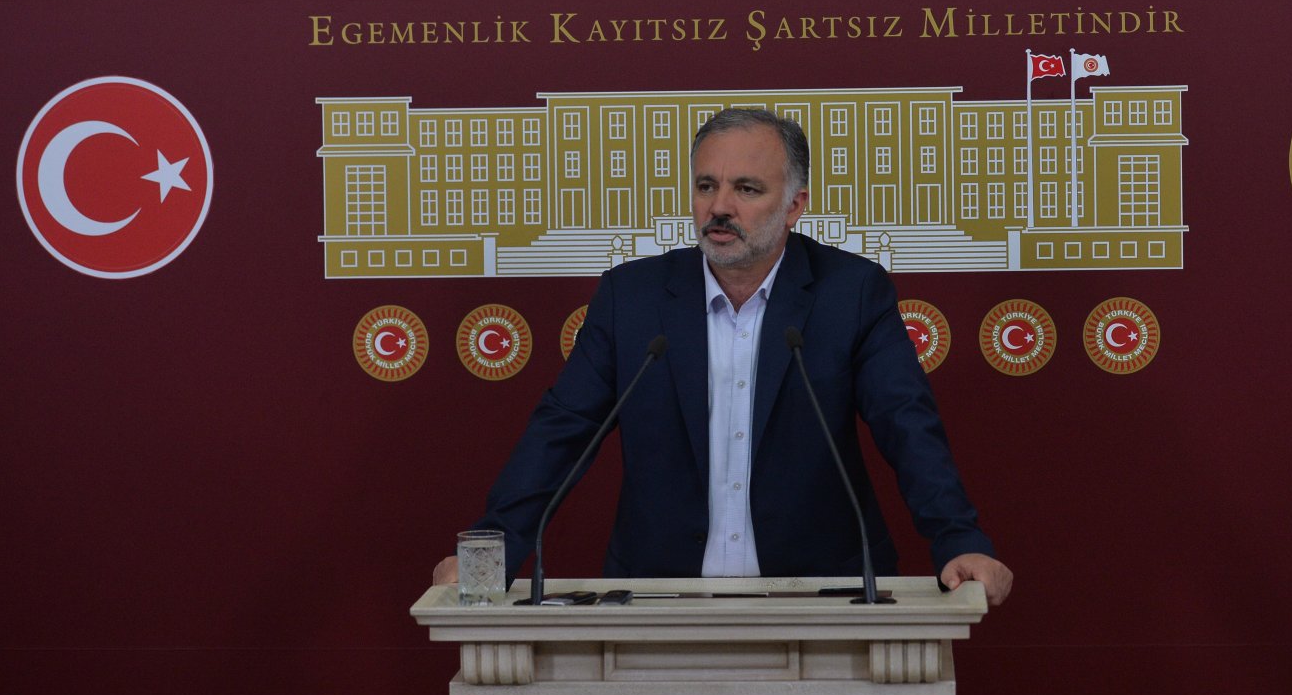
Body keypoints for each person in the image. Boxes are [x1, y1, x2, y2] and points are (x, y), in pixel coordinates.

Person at [434, 108, 1012, 605]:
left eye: (747, 189)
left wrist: (958, 539)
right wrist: (495, 547)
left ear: (794, 205)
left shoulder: (851, 292)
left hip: (820, 592)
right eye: (706, 186)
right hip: (659, 598)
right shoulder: (631, 298)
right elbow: (564, 428)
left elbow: (906, 423)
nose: (720, 207)